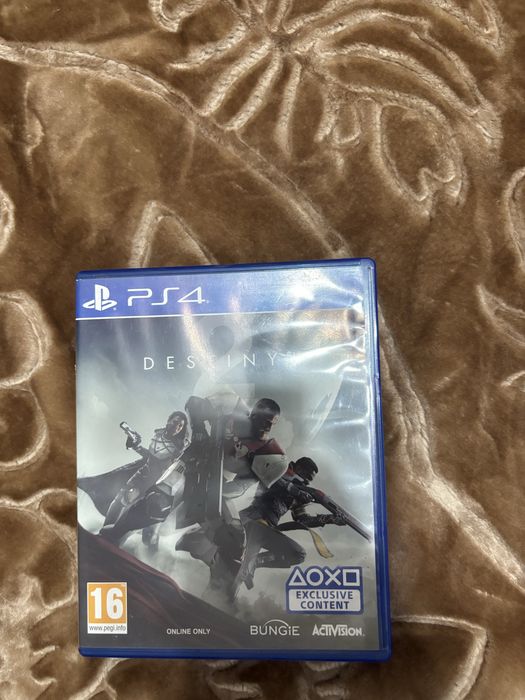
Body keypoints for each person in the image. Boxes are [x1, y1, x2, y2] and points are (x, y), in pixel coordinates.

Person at [235, 457, 347, 592]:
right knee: (240, 574)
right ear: (297, 468)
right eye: (306, 476)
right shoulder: (279, 471)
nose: (307, 482)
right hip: (251, 521)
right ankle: (244, 569)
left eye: (309, 480)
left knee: (298, 554)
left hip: (265, 529)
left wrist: (329, 519)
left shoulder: (297, 493)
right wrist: (295, 490)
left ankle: (255, 562)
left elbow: (302, 519)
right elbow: (272, 480)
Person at [98, 411, 188, 548]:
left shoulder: (179, 447)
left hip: (156, 483)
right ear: (169, 420)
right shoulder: (158, 434)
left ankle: (116, 540)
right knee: (120, 500)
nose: (177, 427)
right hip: (142, 474)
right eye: (175, 422)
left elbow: (171, 466)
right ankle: (104, 535)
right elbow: (149, 457)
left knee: (141, 521)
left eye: (180, 426)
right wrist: (135, 446)